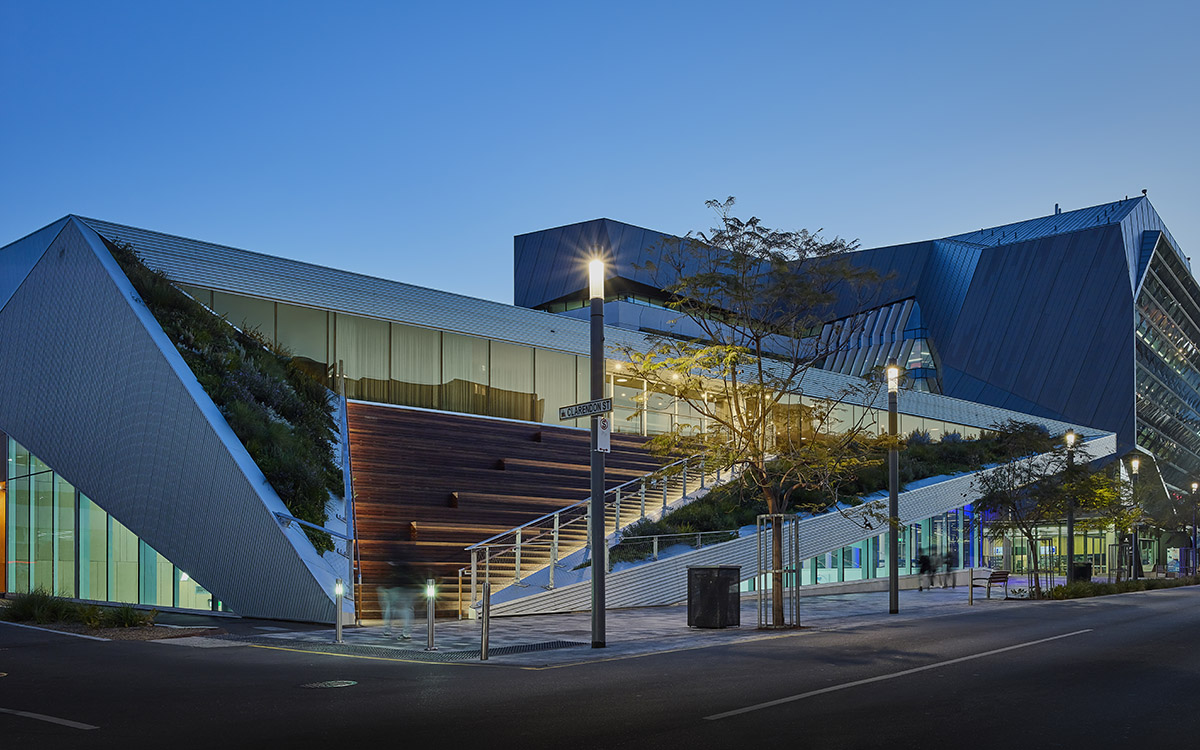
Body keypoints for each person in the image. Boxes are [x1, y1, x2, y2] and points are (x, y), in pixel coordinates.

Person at [377, 545, 419, 639]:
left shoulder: (393, 558)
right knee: (407, 609)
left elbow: (388, 572)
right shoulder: (407, 559)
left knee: (389, 607)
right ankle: (406, 632)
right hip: (407, 586)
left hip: (394, 586)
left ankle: (387, 630)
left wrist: (383, 586)